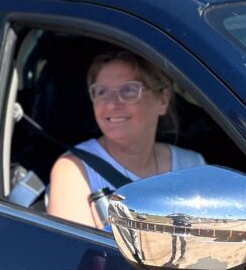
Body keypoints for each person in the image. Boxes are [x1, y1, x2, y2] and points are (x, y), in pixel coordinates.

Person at [48, 49, 205, 229]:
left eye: (129, 90)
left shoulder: (192, 166)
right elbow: (73, 254)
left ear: (162, 100)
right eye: (101, 92)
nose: (112, 103)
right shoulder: (74, 170)